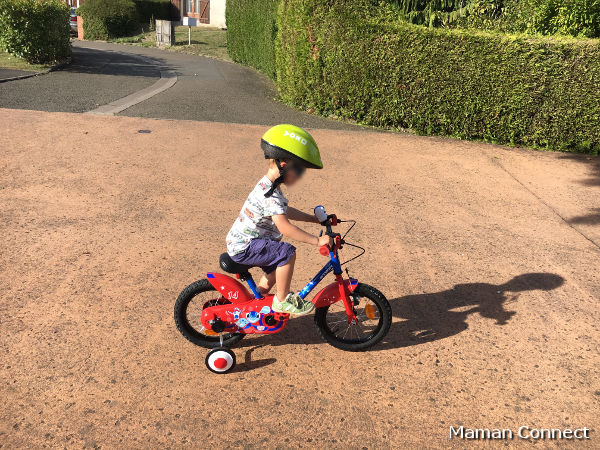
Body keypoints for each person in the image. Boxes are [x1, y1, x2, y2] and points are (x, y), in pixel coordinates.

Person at [226, 124, 331, 315]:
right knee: (287, 253)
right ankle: (282, 301)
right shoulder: (270, 194)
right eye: (299, 171)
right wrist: (317, 241)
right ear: (285, 165)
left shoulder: (270, 188)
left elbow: (284, 211)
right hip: (246, 246)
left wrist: (314, 220)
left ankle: (256, 304)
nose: (300, 177)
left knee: (276, 269)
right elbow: (284, 226)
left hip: (247, 242)